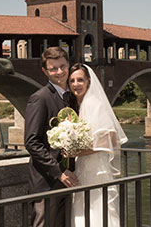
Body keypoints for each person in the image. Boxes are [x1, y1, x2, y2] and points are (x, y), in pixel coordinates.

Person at [67, 63, 128, 227]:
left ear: (88, 81)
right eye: (72, 80)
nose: (75, 84)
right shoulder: (80, 105)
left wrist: (78, 151)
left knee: (96, 211)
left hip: (96, 171)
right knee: (85, 211)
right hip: (84, 168)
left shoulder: (94, 104)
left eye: (80, 80)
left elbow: (111, 139)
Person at [24, 47, 79, 227]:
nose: (59, 72)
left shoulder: (72, 98)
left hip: (70, 178)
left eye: (62, 66)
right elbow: (31, 142)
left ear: (69, 65)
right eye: (53, 68)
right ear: (45, 71)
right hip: (47, 181)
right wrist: (59, 172)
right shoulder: (39, 98)